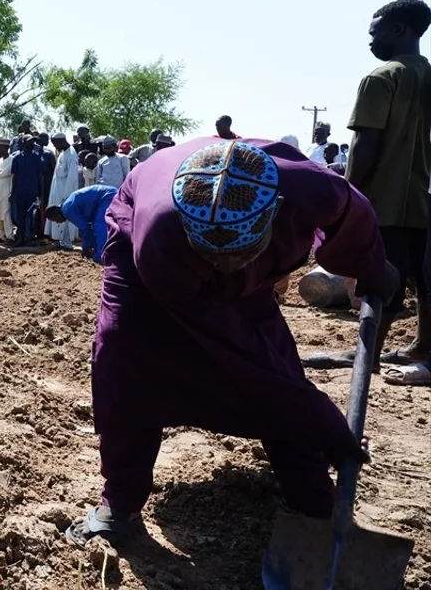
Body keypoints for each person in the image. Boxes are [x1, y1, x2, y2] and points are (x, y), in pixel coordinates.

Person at [65, 138, 398, 547]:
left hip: (240, 253)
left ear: (273, 215)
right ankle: (121, 501)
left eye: (235, 256)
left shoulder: (314, 189)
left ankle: (314, 500)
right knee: (124, 352)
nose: (223, 268)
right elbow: (236, 353)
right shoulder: (159, 243)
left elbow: (354, 217)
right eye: (214, 256)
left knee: (276, 359)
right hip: (151, 236)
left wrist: (370, 266)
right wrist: (323, 420)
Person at [304, 0, 431, 381]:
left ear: (399, 31)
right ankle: (423, 347)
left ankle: (366, 355)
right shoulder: (426, 74)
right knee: (423, 281)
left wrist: (347, 199)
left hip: (385, 201)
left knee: (380, 277)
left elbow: (367, 144)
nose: (371, 41)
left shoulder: (382, 78)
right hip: (421, 201)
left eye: (374, 33)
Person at [47, 185, 117, 263]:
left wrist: (85, 248)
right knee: (96, 225)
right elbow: (86, 228)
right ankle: (100, 252)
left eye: (54, 220)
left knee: (99, 225)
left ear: (55, 213)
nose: (57, 222)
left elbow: (86, 229)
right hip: (105, 196)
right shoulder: (67, 205)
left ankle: (100, 257)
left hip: (106, 196)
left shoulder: (67, 211)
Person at [45, 133, 80, 250]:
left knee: (64, 216)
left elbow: (72, 177)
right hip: (57, 190)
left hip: (65, 192)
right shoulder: (62, 153)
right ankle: (60, 240)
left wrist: (67, 195)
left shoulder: (71, 154)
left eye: (55, 143)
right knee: (58, 216)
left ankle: (67, 242)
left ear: (61, 141)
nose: (55, 146)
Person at [10, 135, 43, 245]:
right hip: (19, 192)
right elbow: (14, 176)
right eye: (29, 142)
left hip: (32, 192)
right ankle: (20, 238)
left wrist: (41, 193)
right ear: (23, 144)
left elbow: (40, 176)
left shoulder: (36, 157)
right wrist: (12, 193)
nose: (32, 144)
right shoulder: (16, 158)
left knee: (30, 216)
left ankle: (28, 238)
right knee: (19, 216)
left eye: (32, 142)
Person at [0, 137, 15, 243]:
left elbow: (6, 172)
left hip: (7, 190)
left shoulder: (12, 160)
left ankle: (10, 237)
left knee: (5, 214)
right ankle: (2, 236)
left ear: (5, 148)